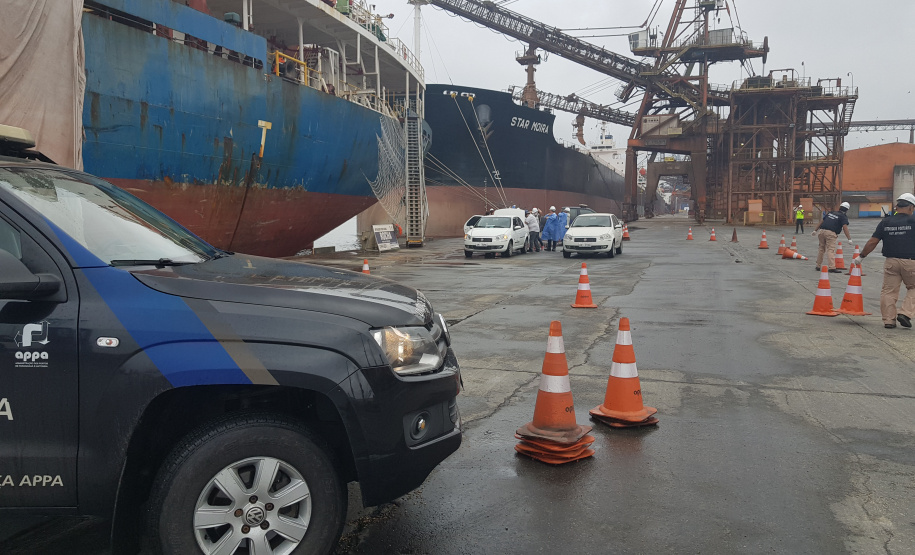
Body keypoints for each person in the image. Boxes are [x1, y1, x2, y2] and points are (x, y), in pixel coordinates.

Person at [853, 192, 915, 329]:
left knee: (888, 291)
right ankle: (905, 313)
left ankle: (889, 320)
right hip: (911, 262)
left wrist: (861, 256)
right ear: (911, 208)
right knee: (913, 288)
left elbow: (872, 241)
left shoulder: (886, 222)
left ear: (897, 207)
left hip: (891, 262)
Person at [813, 202, 852, 273]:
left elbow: (822, 221)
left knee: (821, 249)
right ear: (847, 210)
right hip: (831, 233)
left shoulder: (831, 213)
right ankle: (831, 267)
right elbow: (845, 227)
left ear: (840, 207)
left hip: (821, 231)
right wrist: (849, 239)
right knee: (831, 250)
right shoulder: (843, 216)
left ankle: (818, 266)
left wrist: (815, 230)